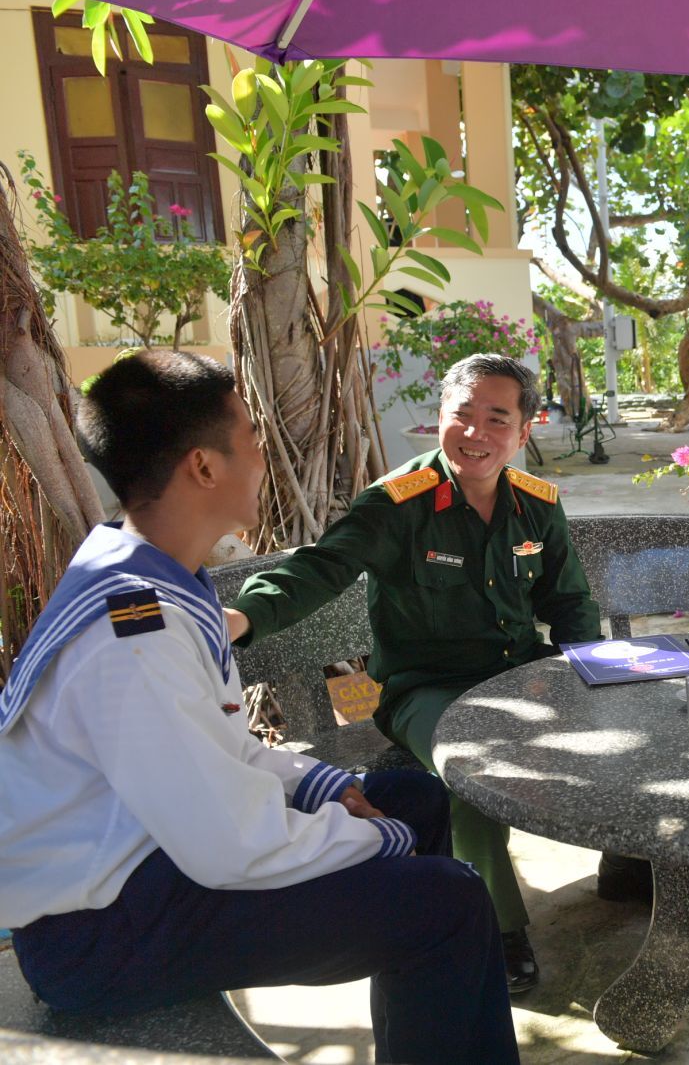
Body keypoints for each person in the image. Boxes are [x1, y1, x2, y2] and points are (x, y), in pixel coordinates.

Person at [0, 351, 516, 1065]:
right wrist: (375, 839)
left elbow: (219, 749)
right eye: (250, 439)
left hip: (150, 855)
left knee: (416, 798)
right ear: (203, 467)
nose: (263, 457)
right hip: (102, 929)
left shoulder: (151, 575)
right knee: (448, 901)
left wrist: (328, 788)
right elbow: (230, 843)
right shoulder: (133, 634)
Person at [223, 354, 645, 994]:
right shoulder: (398, 503)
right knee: (471, 769)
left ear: (522, 432)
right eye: (462, 415)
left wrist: (590, 677)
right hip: (426, 690)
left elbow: (569, 603)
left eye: (496, 419)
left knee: (634, 724)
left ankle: (626, 860)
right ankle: (496, 926)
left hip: (519, 676)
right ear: (440, 417)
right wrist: (244, 616)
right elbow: (321, 567)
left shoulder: (536, 504)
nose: (475, 433)